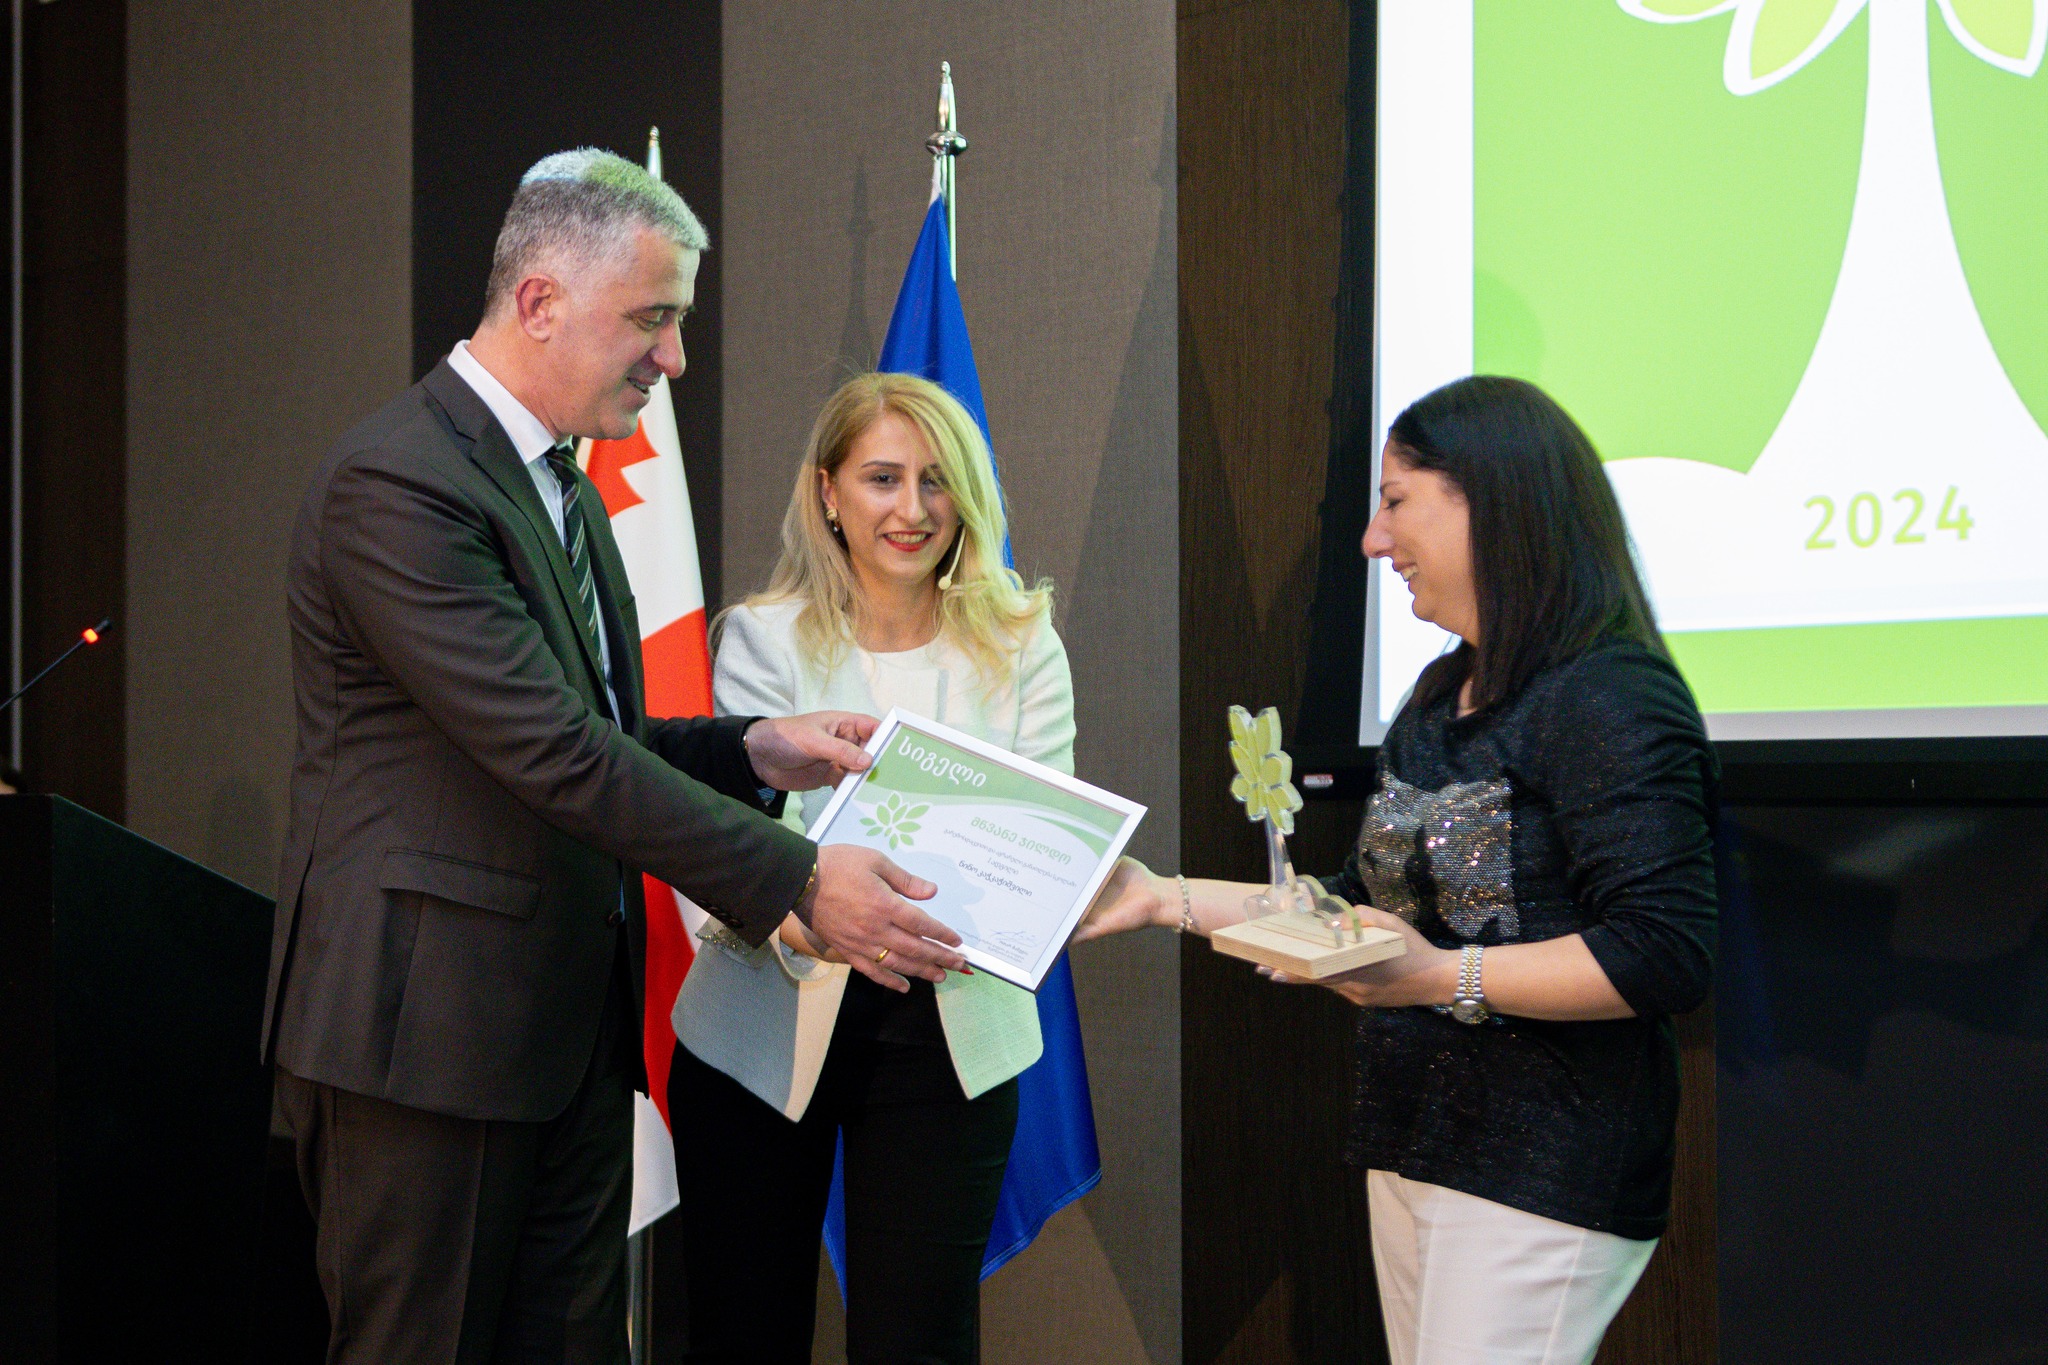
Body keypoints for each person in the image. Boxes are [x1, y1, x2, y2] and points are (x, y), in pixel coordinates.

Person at [265, 151, 969, 1365]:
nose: (674, 358)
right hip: (427, 1044)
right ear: (540, 300)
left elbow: (592, 735)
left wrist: (753, 747)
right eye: (652, 318)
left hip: (562, 1045)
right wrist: (800, 880)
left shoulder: (566, 487)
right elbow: (550, 751)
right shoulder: (399, 484)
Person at [1081, 375, 1718, 1365]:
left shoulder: (1607, 697)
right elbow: (1356, 906)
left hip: (1546, 1167)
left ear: (1488, 502)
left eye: (1394, 501)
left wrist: (1434, 978)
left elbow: (1663, 952)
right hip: (1419, 1146)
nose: (1373, 541)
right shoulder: (1437, 694)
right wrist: (1163, 896)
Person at [666, 372, 1073, 1363]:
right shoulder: (760, 637)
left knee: (917, 1343)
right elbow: (733, 843)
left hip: (950, 1027)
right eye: (882, 478)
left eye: (937, 480)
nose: (911, 509)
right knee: (742, 1335)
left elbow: (1047, 851)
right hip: (761, 1021)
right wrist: (818, 909)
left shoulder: (1022, 642)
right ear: (828, 492)